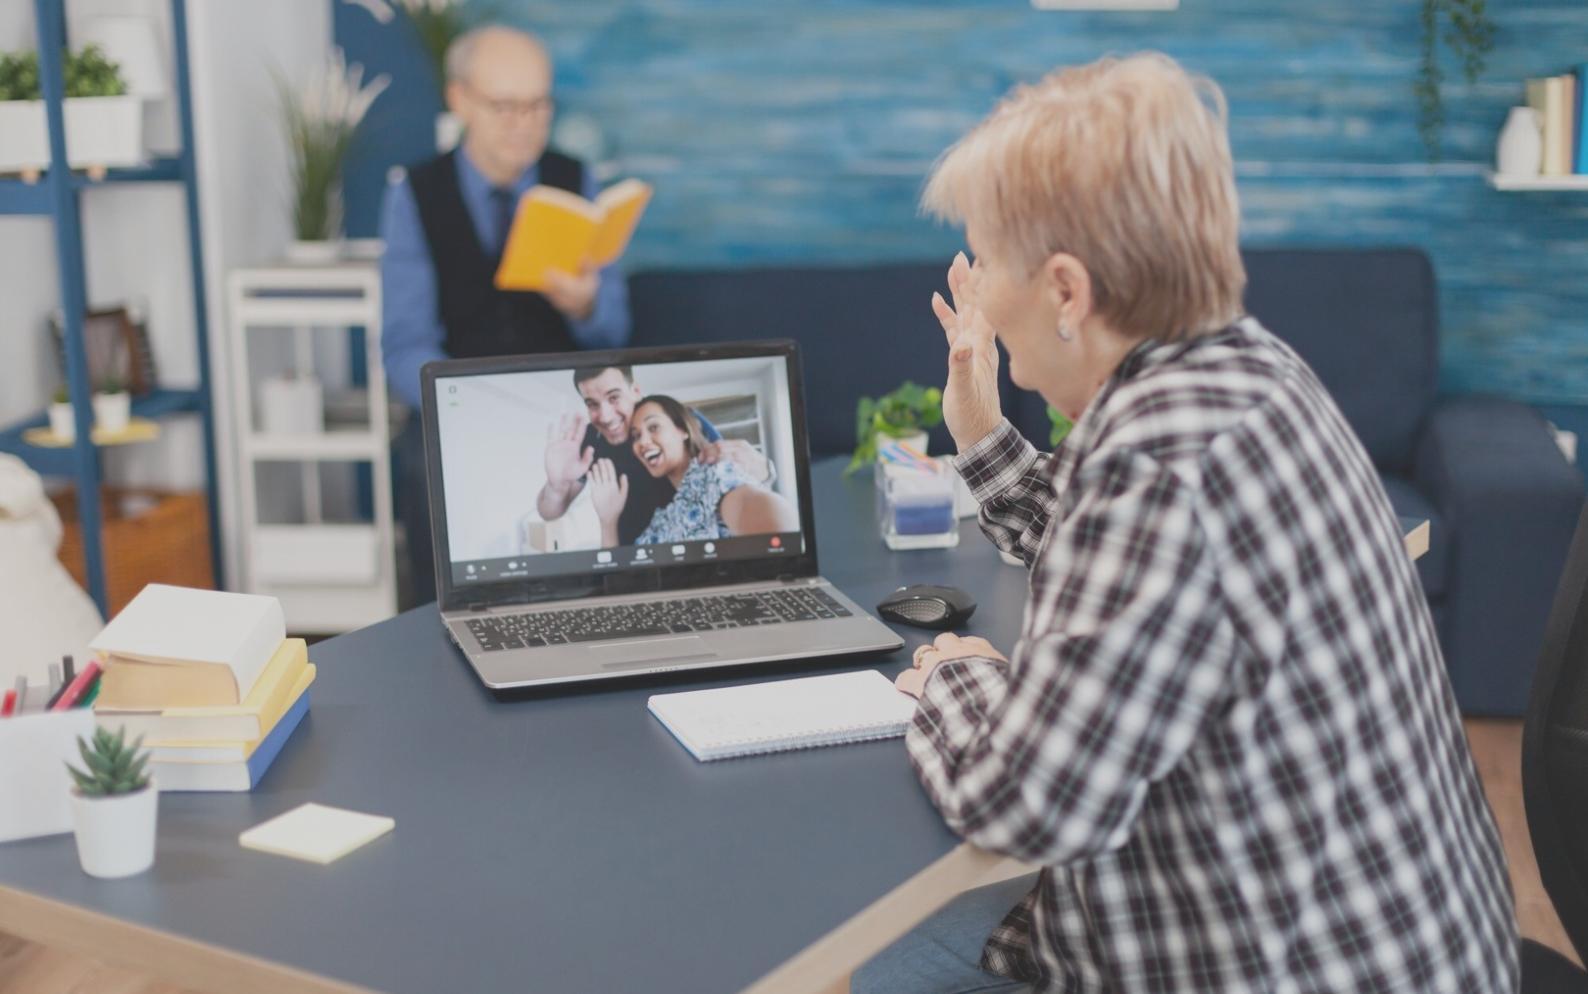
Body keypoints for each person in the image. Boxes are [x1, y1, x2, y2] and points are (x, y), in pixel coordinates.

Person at [853, 54, 1517, 993]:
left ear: (1067, 292)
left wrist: (959, 678)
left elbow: (1025, 805)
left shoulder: (1156, 462)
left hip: (1293, 968)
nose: (982, 300)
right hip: (1405, 945)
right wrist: (980, 430)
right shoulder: (1243, 370)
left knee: (876, 970)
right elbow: (1128, 559)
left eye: (988, 262)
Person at [380, 25, 631, 604]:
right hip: (460, 408)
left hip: (564, 403)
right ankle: (438, 625)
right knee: (423, 468)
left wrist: (585, 305)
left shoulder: (575, 180)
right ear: (460, 99)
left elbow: (616, 329)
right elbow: (403, 343)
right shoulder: (415, 192)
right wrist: (467, 408)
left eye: (539, 105)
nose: (526, 122)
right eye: (505, 106)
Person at [537, 366, 773, 546]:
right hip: (633, 554)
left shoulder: (681, 420)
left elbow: (736, 477)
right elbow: (550, 512)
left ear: (635, 391)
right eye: (592, 404)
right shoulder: (588, 440)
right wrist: (556, 485)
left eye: (614, 397)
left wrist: (765, 471)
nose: (606, 416)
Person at [586, 394, 797, 547]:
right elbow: (619, 575)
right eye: (636, 435)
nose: (643, 442)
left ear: (682, 430)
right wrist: (608, 521)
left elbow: (750, 506)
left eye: (653, 427)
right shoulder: (662, 518)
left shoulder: (713, 477)